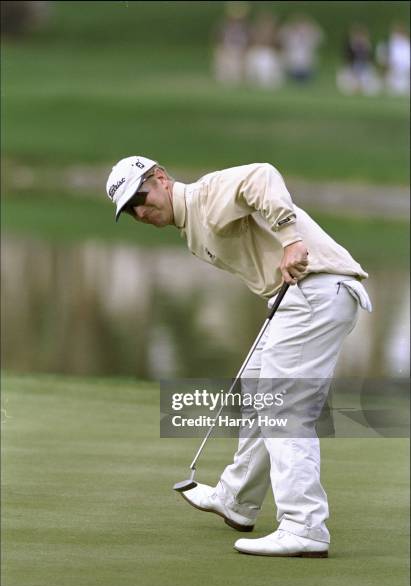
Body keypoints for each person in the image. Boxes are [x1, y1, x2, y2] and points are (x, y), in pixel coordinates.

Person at [106, 156, 372, 557]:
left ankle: (304, 526)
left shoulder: (204, 198)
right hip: (296, 299)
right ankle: (237, 498)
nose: (141, 211)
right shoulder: (190, 226)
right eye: (131, 209)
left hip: (314, 291)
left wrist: (291, 239)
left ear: (160, 178)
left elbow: (261, 176)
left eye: (141, 197)